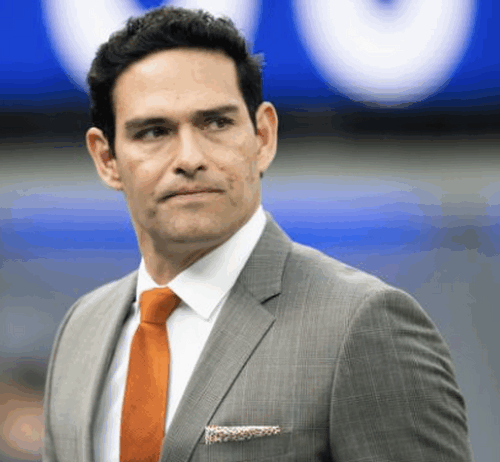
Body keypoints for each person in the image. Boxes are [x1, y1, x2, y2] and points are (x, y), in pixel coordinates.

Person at [42, 6, 473, 462]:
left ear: (263, 136)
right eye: (154, 131)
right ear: (106, 159)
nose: (189, 158)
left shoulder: (362, 325)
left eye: (216, 123)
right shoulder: (82, 328)